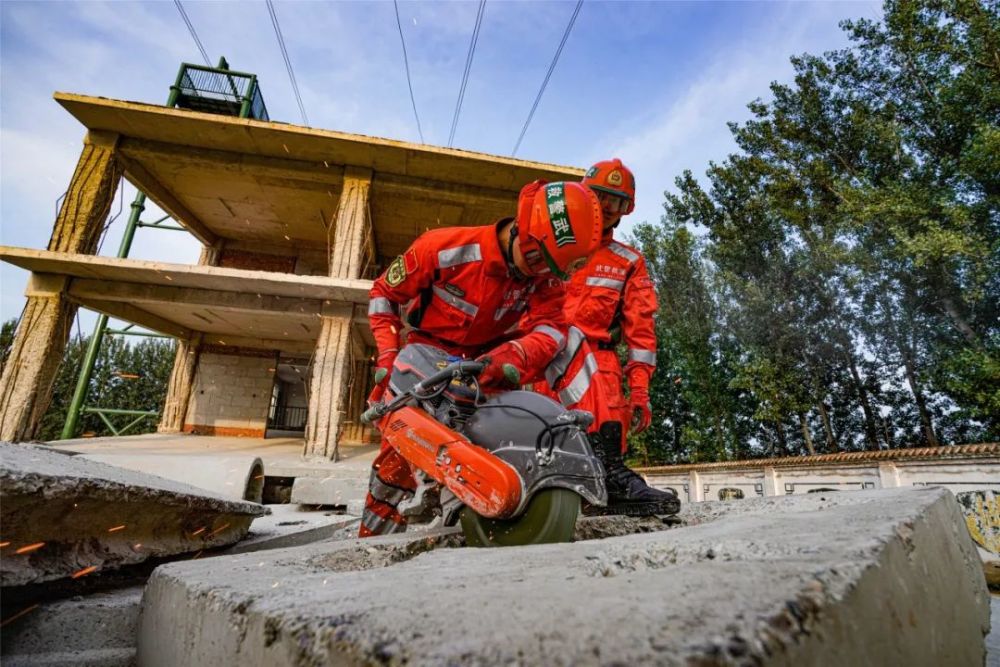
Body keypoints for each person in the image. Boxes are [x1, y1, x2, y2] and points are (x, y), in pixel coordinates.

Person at [359, 180, 604, 537]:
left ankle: (596, 451)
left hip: (489, 359)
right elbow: (383, 295)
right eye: (535, 259)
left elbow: (551, 329)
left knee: (573, 338)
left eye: (548, 269)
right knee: (402, 442)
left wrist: (513, 358)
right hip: (427, 350)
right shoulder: (442, 248)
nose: (537, 273)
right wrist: (387, 353)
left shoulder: (542, 277)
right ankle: (375, 534)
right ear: (522, 228)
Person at [563, 158, 677, 516]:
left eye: (617, 200)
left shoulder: (628, 261)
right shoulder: (555, 241)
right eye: (601, 196)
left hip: (600, 365)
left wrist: (640, 391)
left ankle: (612, 485)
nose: (608, 207)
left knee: (604, 441)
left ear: (626, 209)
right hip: (543, 359)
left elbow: (641, 332)